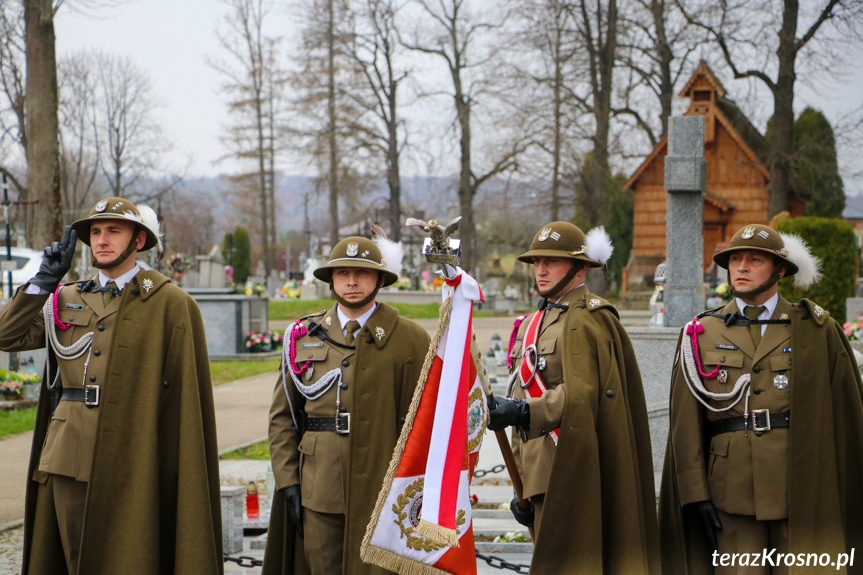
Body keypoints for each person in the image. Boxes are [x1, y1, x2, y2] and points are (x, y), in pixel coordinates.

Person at [0, 197, 223, 575]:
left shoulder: (170, 303)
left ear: (138, 241)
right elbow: (7, 335)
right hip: (69, 453)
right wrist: (41, 283)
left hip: (138, 455)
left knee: (132, 559)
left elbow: (185, 399)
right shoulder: (65, 297)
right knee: (74, 559)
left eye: (113, 231)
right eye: (96, 232)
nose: (101, 240)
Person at [659, 223, 863, 574]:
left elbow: (846, 414)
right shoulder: (701, 332)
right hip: (730, 490)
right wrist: (694, 495)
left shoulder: (814, 329)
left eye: (754, 259)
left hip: (799, 484)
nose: (741, 267)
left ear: (780, 269)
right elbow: (684, 424)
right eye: (735, 259)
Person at [489, 221, 660, 574]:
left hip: (576, 468)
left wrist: (522, 411)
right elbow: (523, 396)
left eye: (552, 261)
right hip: (539, 476)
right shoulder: (533, 322)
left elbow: (585, 393)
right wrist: (522, 480)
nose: (541, 269)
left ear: (580, 268)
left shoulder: (589, 317)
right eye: (536, 262)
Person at [264, 235, 430, 575]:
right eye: (342, 273)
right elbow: (282, 417)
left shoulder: (411, 339)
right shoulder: (302, 336)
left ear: (380, 279)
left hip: (383, 488)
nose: (351, 282)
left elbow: (426, 421)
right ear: (331, 280)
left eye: (362, 273)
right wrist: (288, 482)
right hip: (319, 486)